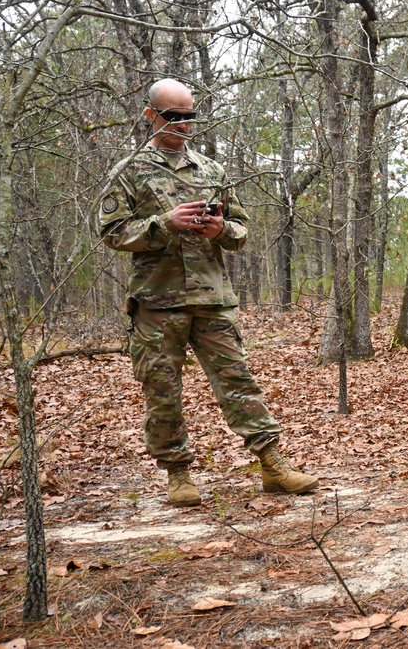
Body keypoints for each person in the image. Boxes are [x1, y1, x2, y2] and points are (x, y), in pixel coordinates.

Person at [98, 78, 318, 507]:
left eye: (189, 117)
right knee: (162, 389)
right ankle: (178, 474)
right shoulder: (129, 172)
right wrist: (163, 224)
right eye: (173, 117)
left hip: (213, 297)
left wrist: (222, 230)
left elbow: (241, 228)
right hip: (158, 302)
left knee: (238, 381)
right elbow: (111, 232)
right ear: (151, 116)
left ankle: (273, 466)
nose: (183, 125)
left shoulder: (211, 170)